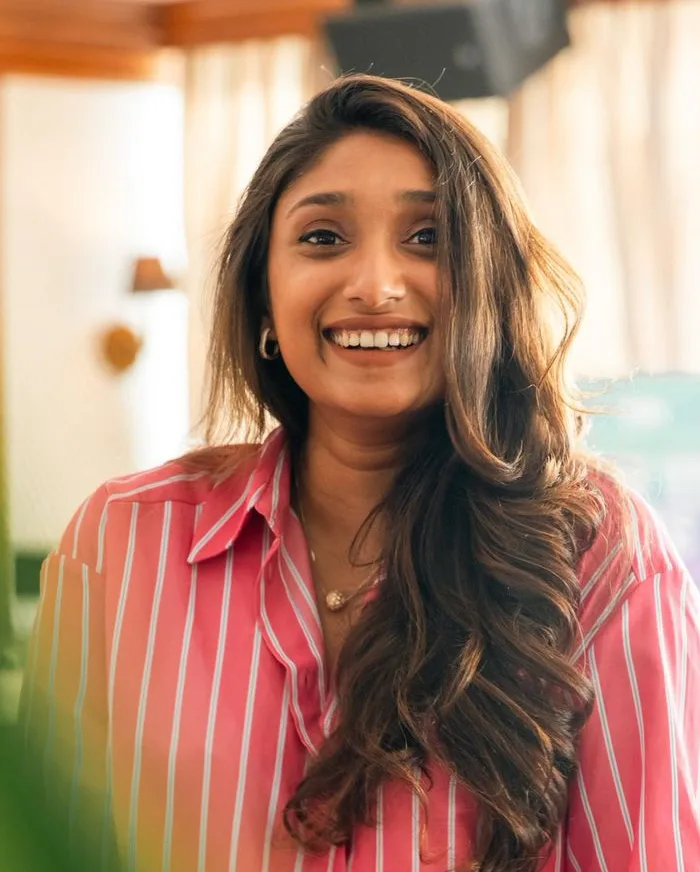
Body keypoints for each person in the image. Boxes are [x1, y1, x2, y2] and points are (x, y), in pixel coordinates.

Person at [19, 74, 700, 872]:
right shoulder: (122, 543)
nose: (375, 287)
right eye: (322, 238)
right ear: (263, 299)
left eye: (429, 238)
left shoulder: (601, 553)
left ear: (489, 287)